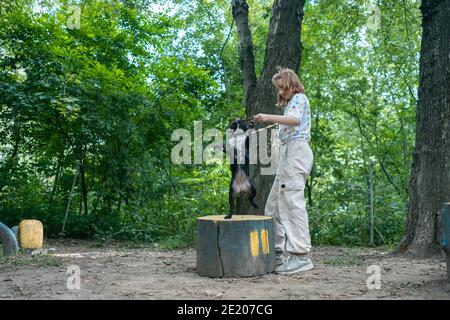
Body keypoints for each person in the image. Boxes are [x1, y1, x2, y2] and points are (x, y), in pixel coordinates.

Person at [253, 67, 314, 275]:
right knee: (273, 206)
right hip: (287, 155)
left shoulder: (299, 98)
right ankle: (276, 252)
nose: (280, 92)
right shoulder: (289, 106)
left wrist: (269, 117)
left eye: (283, 87)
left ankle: (300, 256)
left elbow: (296, 121)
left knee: (291, 202)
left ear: (291, 84)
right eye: (278, 89)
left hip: (297, 152)